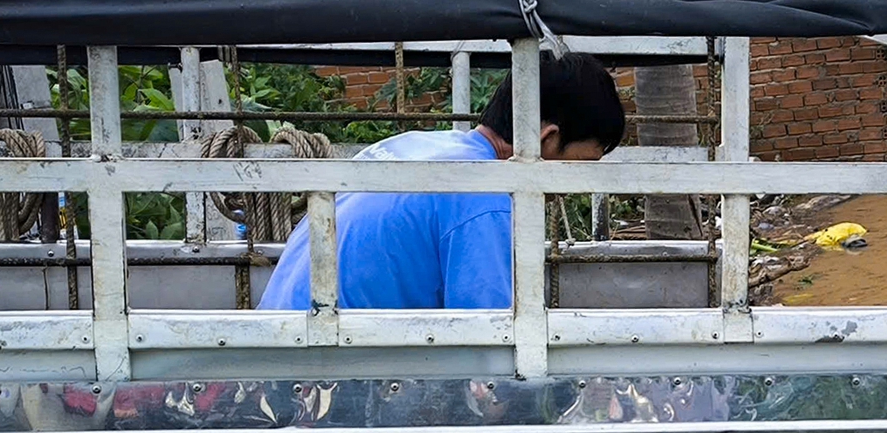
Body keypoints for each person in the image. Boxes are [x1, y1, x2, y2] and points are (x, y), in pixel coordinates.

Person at [259, 51, 625, 311]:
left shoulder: (415, 144)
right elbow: (492, 342)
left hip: (275, 337)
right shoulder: (484, 193)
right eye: (583, 164)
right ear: (547, 139)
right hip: (316, 372)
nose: (576, 184)